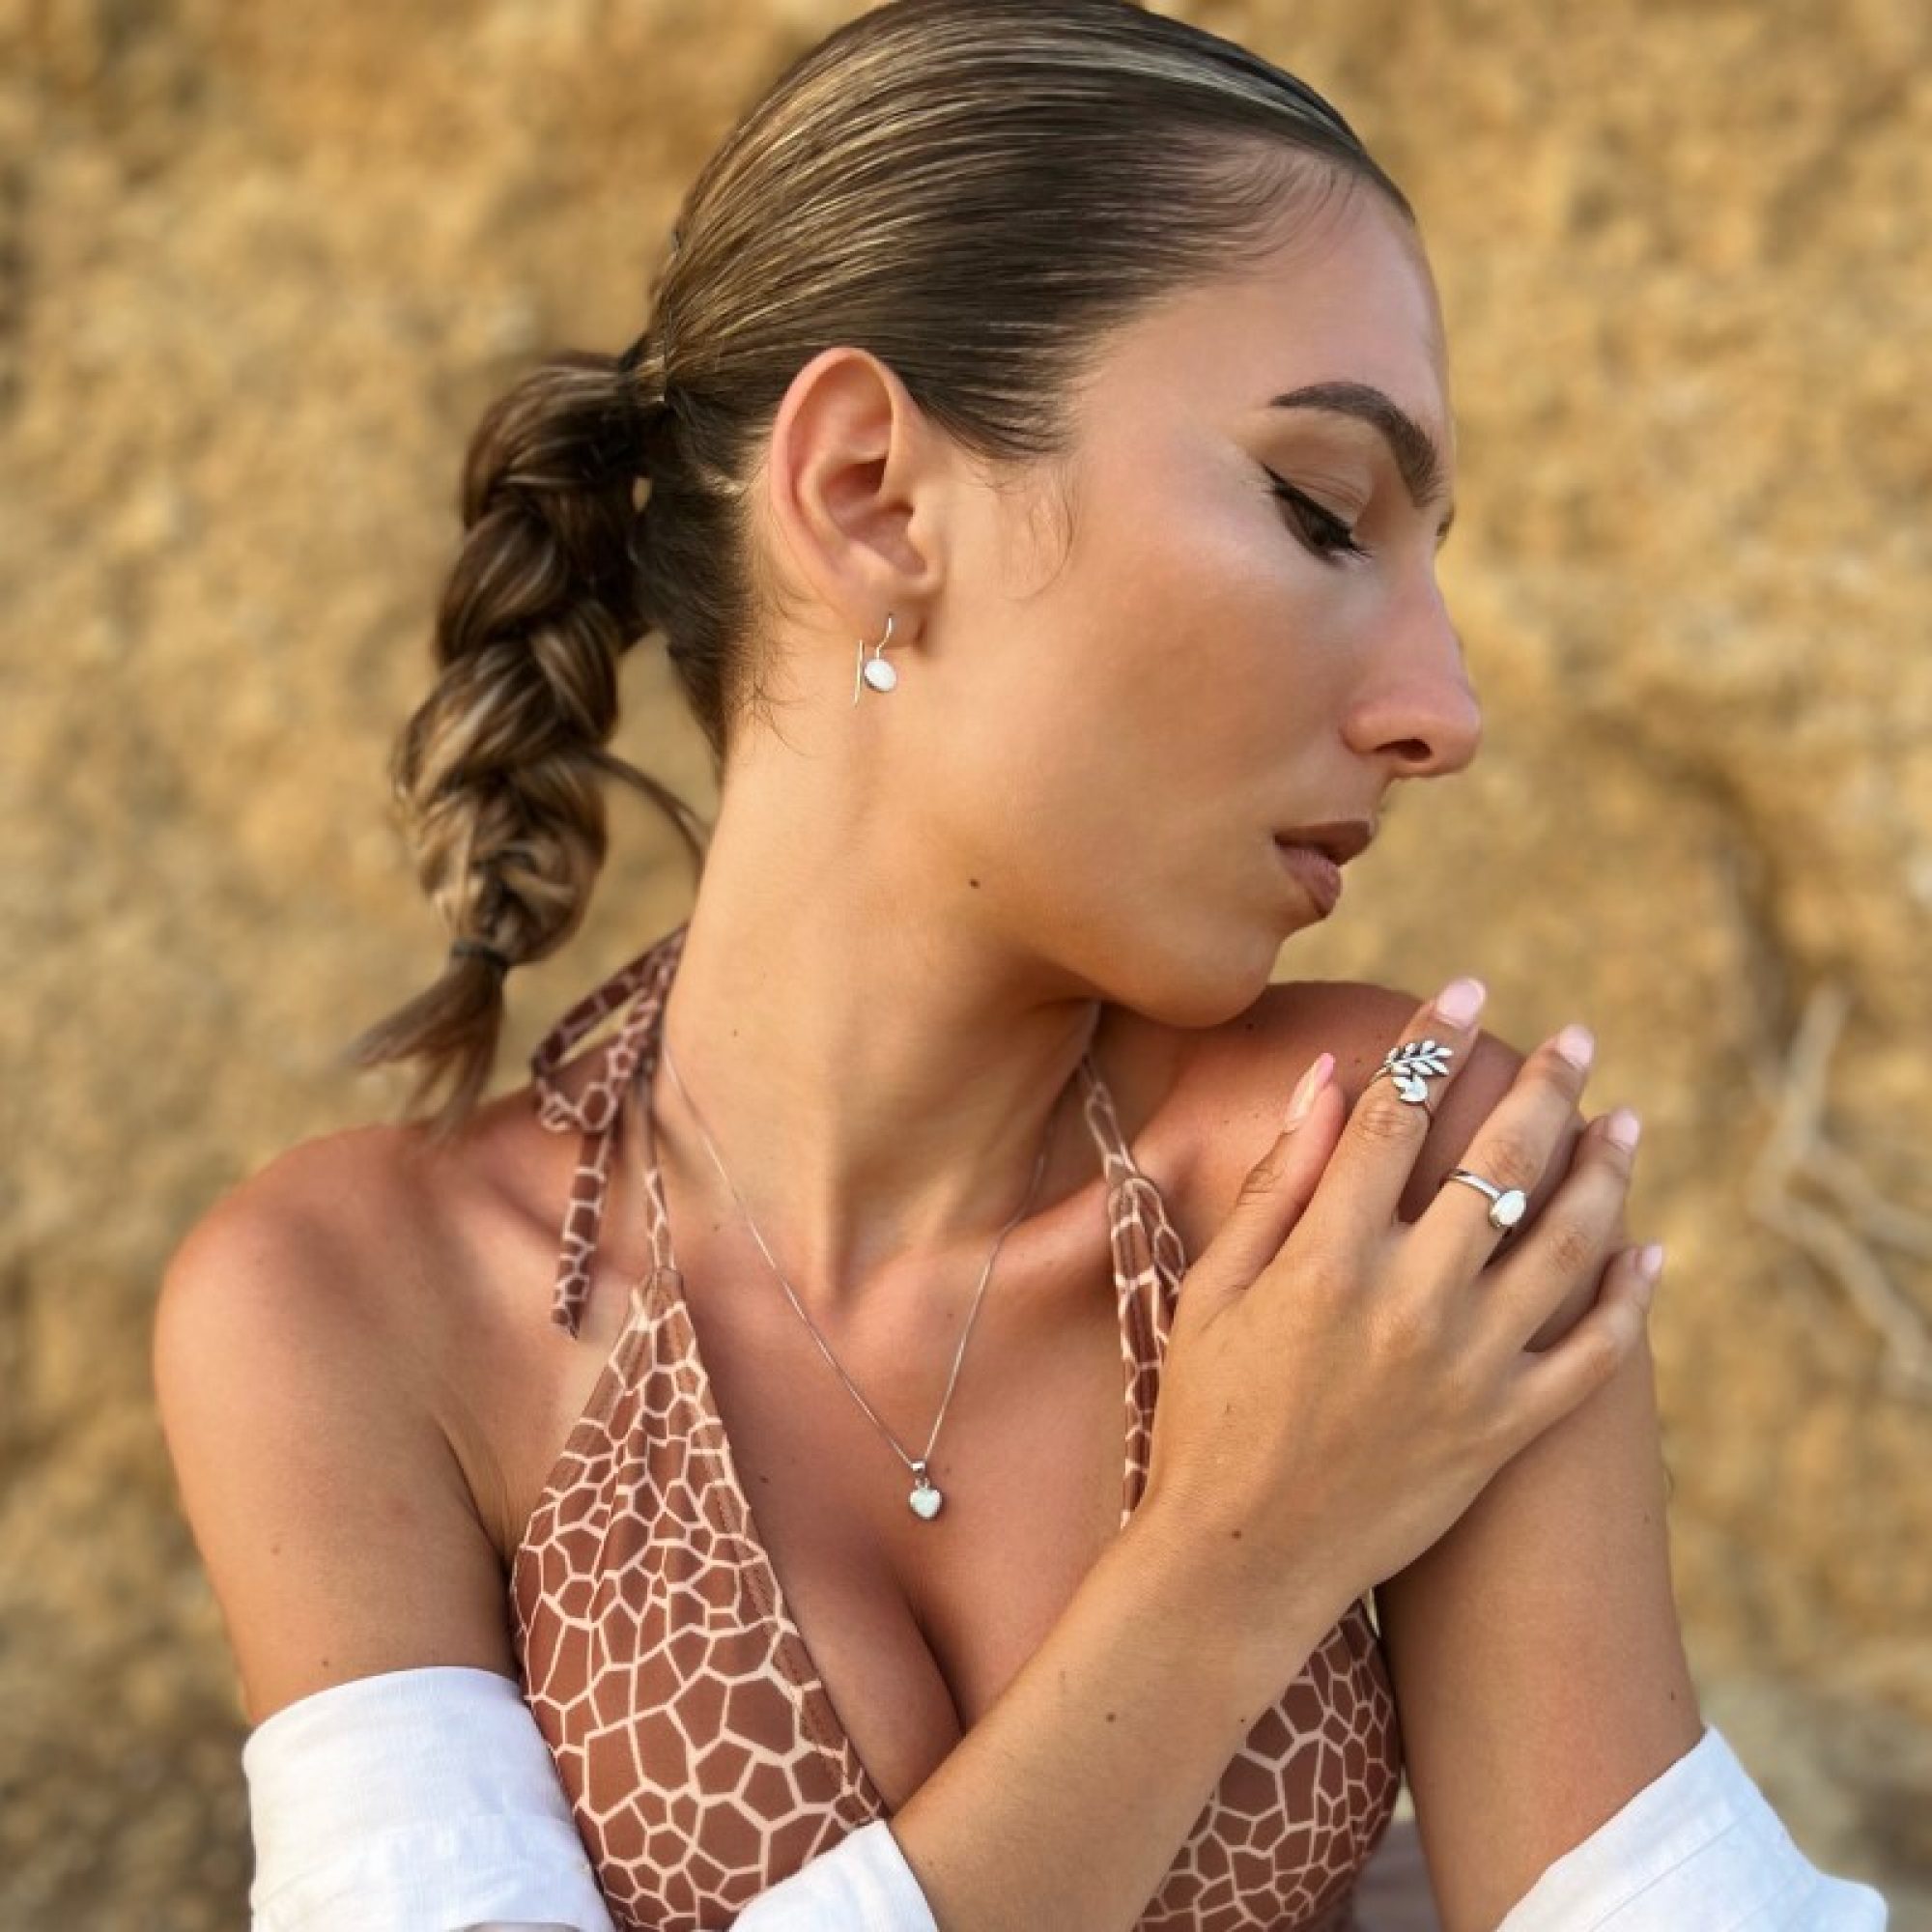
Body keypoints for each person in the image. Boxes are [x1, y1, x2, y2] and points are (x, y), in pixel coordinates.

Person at [152, 2, 1889, 1927]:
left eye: (1429, 556)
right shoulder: (351, 1312)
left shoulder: (1389, 1173)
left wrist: (1430, 1102)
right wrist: (1231, 1559)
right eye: (1320, 510)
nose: (1442, 706)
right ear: (872, 498)